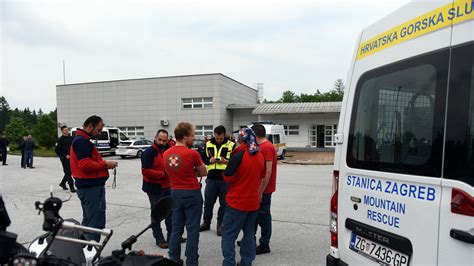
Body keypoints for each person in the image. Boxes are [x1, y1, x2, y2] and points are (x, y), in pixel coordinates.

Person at [163, 122, 207, 266]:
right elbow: (204, 172)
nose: (194, 138)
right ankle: (192, 261)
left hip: (175, 192)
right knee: (193, 229)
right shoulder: (192, 153)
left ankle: (173, 258)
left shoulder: (166, 154)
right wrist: (193, 172)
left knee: (176, 228)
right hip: (192, 194)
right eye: (192, 135)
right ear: (184, 136)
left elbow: (172, 172)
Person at [221, 128, 265, 266]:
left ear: (241, 140)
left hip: (237, 203)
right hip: (253, 203)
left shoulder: (238, 156)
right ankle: (247, 262)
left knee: (228, 235)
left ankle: (229, 263)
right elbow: (262, 175)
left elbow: (228, 177)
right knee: (249, 235)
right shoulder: (259, 155)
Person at [70, 115, 118, 242]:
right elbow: (85, 165)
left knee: (88, 221)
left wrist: (104, 164)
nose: (99, 133)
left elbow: (88, 162)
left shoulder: (82, 140)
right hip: (91, 189)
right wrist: (105, 164)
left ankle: (84, 250)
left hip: (90, 188)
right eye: (98, 130)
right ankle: (91, 253)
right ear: (90, 126)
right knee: (95, 224)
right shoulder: (82, 142)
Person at [141, 129, 185, 249]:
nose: (161, 142)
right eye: (159, 139)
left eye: (164, 140)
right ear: (155, 138)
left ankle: (173, 237)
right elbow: (145, 171)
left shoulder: (167, 150)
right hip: (154, 189)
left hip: (168, 187)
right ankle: (159, 239)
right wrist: (163, 174)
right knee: (157, 214)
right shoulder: (148, 153)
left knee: (171, 213)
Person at [199, 125, 235, 236]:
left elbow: (235, 161)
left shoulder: (231, 145)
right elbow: (202, 158)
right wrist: (209, 160)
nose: (219, 140)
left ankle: (220, 224)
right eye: (217, 138)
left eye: (221, 138)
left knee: (224, 203)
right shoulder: (208, 144)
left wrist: (226, 162)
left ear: (224, 135)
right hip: (211, 178)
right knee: (208, 203)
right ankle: (206, 222)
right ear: (214, 135)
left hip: (224, 179)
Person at [251, 124, 278, 255]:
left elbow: (267, 172)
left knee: (263, 216)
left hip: (264, 190)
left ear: (255, 135)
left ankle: (264, 244)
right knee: (255, 215)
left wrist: (260, 191)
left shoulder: (266, 147)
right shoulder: (261, 146)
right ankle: (251, 239)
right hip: (258, 189)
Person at [55, 126, 76, 192]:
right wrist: (64, 155)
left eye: (67, 130)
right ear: (62, 131)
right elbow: (57, 150)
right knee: (68, 172)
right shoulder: (59, 140)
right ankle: (71, 186)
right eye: (65, 130)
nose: (66, 131)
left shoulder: (72, 138)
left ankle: (62, 183)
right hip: (65, 159)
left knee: (70, 172)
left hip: (72, 157)